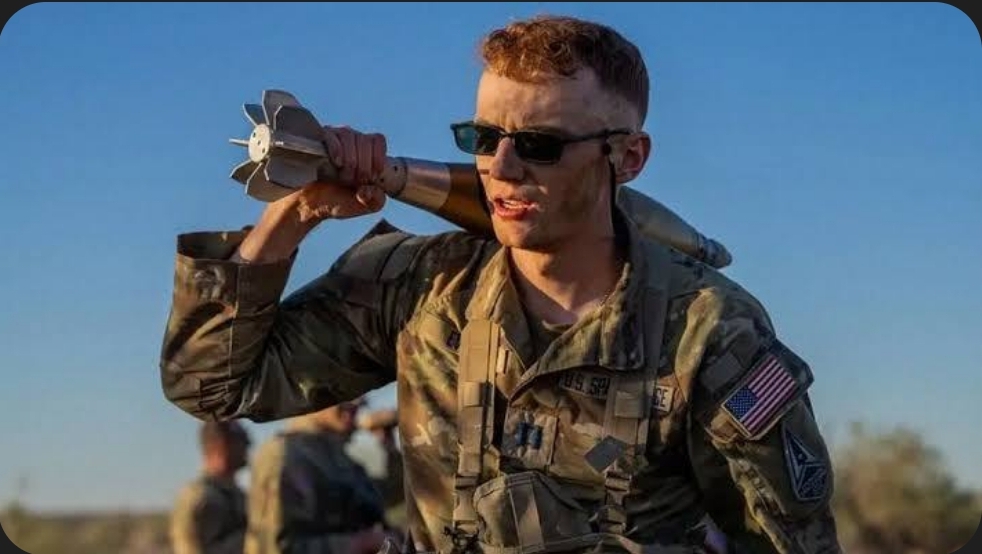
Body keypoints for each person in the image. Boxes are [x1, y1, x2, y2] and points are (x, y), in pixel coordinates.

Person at [159, 13, 843, 554]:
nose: (503, 168)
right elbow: (210, 385)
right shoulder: (420, 286)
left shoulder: (708, 332)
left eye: (541, 144)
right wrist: (296, 212)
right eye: (482, 139)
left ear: (628, 156)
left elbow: (789, 541)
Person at [243, 397, 405, 554]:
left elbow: (389, 499)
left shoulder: (335, 455)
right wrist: (360, 543)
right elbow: (272, 548)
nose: (359, 402)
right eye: (343, 394)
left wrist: (389, 446)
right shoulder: (282, 455)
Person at [169, 421, 250, 554]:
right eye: (241, 440)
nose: (248, 445)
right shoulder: (200, 497)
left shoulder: (239, 496)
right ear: (221, 445)